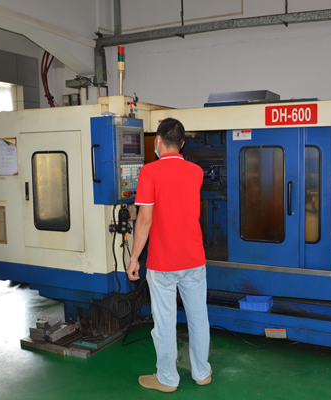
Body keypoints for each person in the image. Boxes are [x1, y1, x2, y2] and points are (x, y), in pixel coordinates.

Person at [127, 118, 212, 393]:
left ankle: (167, 378)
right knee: (198, 318)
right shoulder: (196, 172)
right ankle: (202, 373)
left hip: (163, 262)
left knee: (165, 322)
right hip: (194, 259)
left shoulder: (149, 172)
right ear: (183, 143)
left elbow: (144, 220)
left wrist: (134, 258)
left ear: (158, 140)